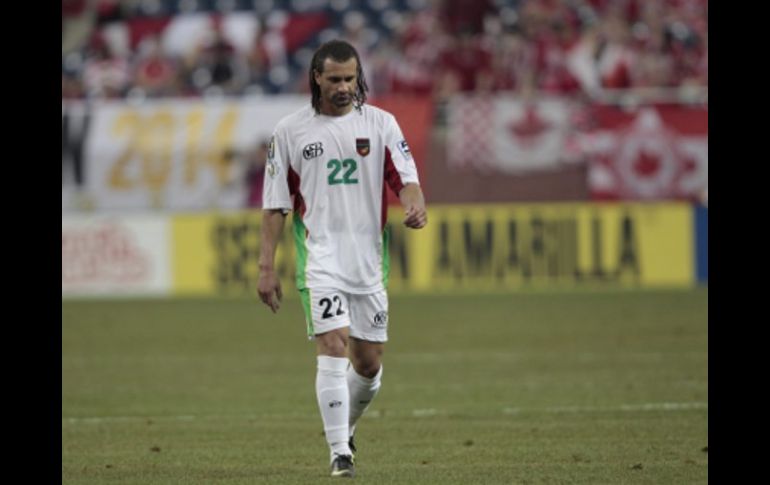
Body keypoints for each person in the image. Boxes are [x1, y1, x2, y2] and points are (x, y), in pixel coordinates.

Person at [257, 39, 427, 478]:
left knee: (369, 364)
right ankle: (339, 454)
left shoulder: (381, 124)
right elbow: (275, 206)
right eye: (334, 79)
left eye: (350, 78)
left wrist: (415, 204)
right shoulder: (290, 131)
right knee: (332, 346)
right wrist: (266, 267)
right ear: (317, 78)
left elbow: (406, 179)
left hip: (367, 262)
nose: (344, 87)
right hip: (320, 259)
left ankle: (344, 429)